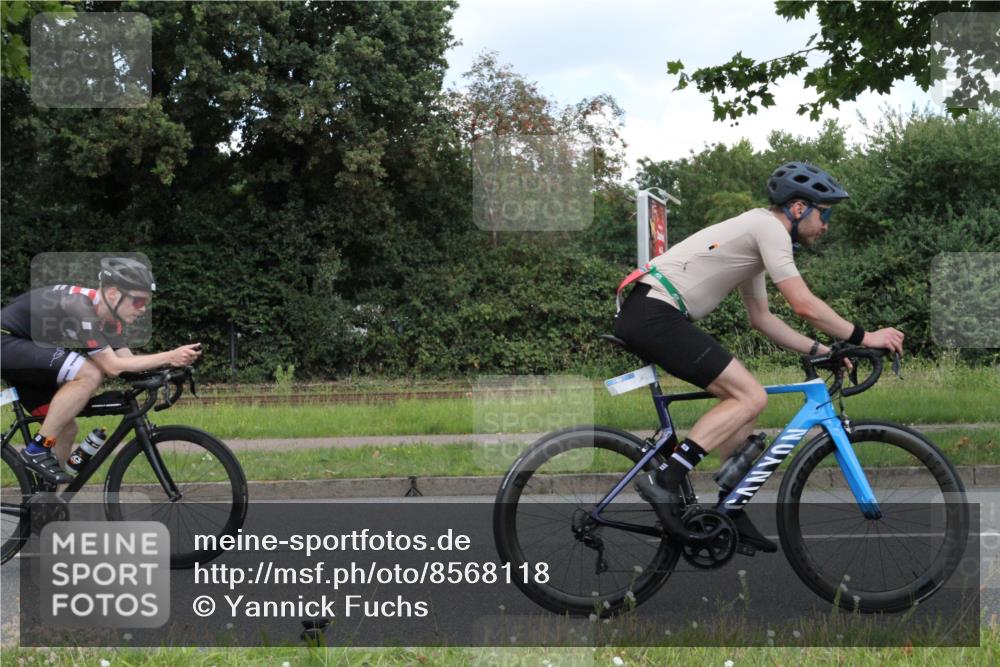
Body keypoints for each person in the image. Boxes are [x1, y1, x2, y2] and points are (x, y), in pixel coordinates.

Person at [613, 162, 905, 552]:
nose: (827, 224)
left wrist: (824, 350)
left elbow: (762, 319)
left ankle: (730, 508)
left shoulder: (756, 236)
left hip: (652, 313)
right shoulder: (769, 229)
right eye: (826, 213)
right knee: (750, 395)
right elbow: (802, 304)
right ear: (799, 208)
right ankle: (663, 481)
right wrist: (865, 336)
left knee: (744, 405)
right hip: (653, 314)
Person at [0, 257, 203, 485]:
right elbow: (112, 367)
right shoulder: (80, 307)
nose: (143, 308)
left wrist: (167, 369)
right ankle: (37, 449)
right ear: (114, 293)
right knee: (90, 373)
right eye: (137, 301)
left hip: (26, 351)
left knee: (66, 429)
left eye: (146, 302)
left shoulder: (108, 319)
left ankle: (45, 506)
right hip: (6, 341)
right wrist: (169, 356)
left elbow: (127, 361)